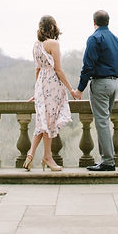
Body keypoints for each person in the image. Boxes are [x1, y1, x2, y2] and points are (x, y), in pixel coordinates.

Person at [72, 9, 118, 172]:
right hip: (114, 84)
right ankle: (105, 159)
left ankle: (108, 161)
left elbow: (88, 65)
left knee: (101, 122)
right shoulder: (116, 39)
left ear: (94, 23)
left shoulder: (95, 38)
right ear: (108, 21)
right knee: (104, 121)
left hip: (100, 84)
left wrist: (80, 89)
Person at [24, 15, 76, 172]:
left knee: (43, 120)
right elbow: (58, 70)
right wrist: (70, 89)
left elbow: (37, 69)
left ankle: (31, 154)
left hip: (41, 83)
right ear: (53, 27)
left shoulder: (36, 46)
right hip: (52, 84)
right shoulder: (53, 44)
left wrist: (37, 92)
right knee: (49, 121)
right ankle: (47, 157)